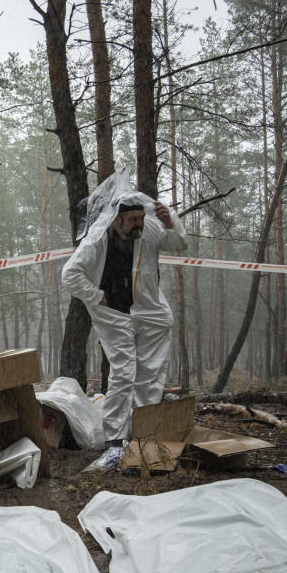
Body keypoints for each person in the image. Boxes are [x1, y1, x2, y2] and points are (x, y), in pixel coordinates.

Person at [61, 171, 187, 470]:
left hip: (147, 310)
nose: (138, 225)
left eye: (141, 219)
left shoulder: (150, 232)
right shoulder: (96, 241)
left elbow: (179, 243)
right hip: (112, 313)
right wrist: (95, 295)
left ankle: (141, 437)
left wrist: (170, 222)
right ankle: (115, 441)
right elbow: (70, 275)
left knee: (151, 373)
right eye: (132, 220)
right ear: (117, 219)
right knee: (124, 372)